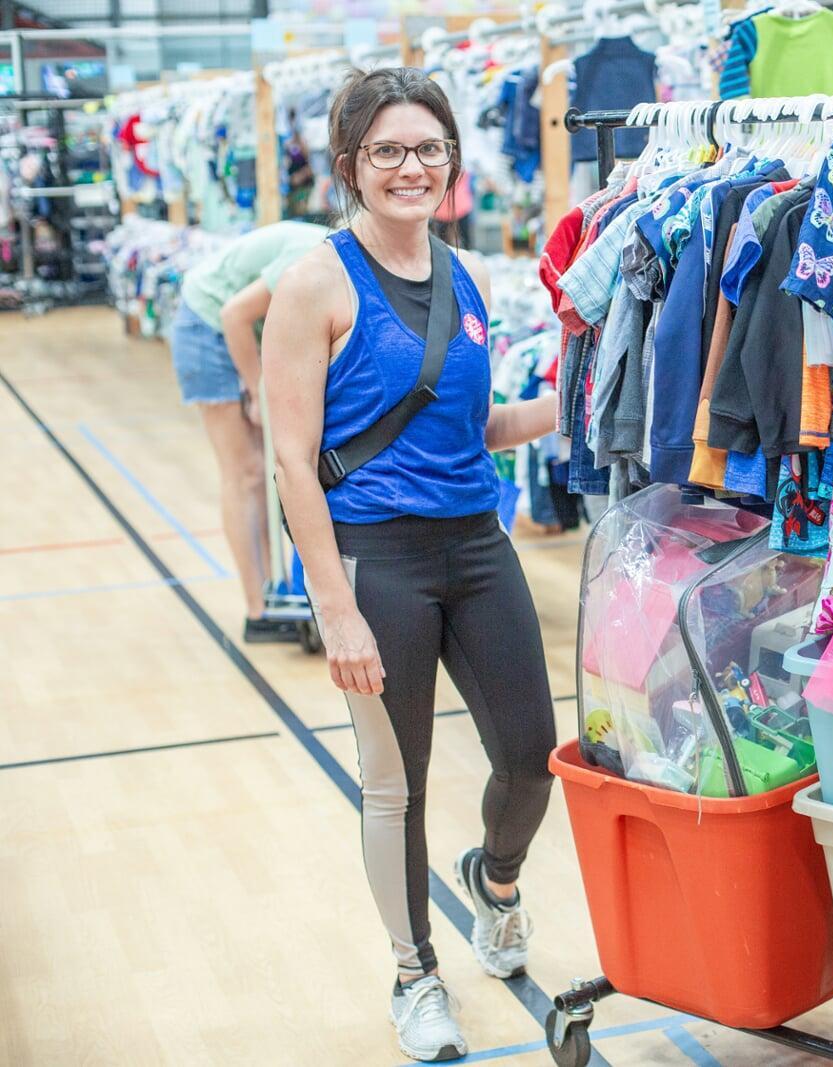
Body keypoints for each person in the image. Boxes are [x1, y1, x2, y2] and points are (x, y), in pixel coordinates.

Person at [261, 67, 560, 1063]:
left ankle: (498, 882)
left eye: (428, 147)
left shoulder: (465, 275)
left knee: (529, 754)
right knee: (398, 784)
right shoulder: (316, 280)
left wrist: (574, 401)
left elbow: (474, 428)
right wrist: (333, 608)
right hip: (375, 559)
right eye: (387, 150)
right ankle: (414, 973)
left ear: (452, 162)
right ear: (349, 165)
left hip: (476, 543)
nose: (411, 166)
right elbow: (292, 461)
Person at [170, 219, 328, 641]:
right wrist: (257, 392)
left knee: (266, 473)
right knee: (245, 473)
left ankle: (274, 589)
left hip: (239, 330)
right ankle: (258, 611)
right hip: (208, 328)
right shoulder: (314, 256)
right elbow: (234, 314)